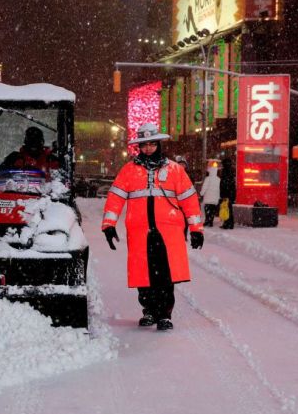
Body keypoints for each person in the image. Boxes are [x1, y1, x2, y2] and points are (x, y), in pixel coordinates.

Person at [101, 123, 203, 331]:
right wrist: (109, 225)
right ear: (139, 147)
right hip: (139, 232)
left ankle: (164, 314)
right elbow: (116, 197)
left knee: (165, 274)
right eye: (144, 145)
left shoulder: (175, 170)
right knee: (143, 272)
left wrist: (196, 229)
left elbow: (190, 201)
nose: (148, 149)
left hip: (169, 232)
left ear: (159, 144)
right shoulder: (129, 171)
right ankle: (149, 310)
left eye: (152, 144)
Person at [219, 157, 236, 229]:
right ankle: (230, 223)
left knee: (226, 209)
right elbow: (232, 184)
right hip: (231, 193)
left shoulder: (225, 171)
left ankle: (227, 223)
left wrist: (222, 194)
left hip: (226, 193)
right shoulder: (231, 171)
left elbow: (223, 183)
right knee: (229, 208)